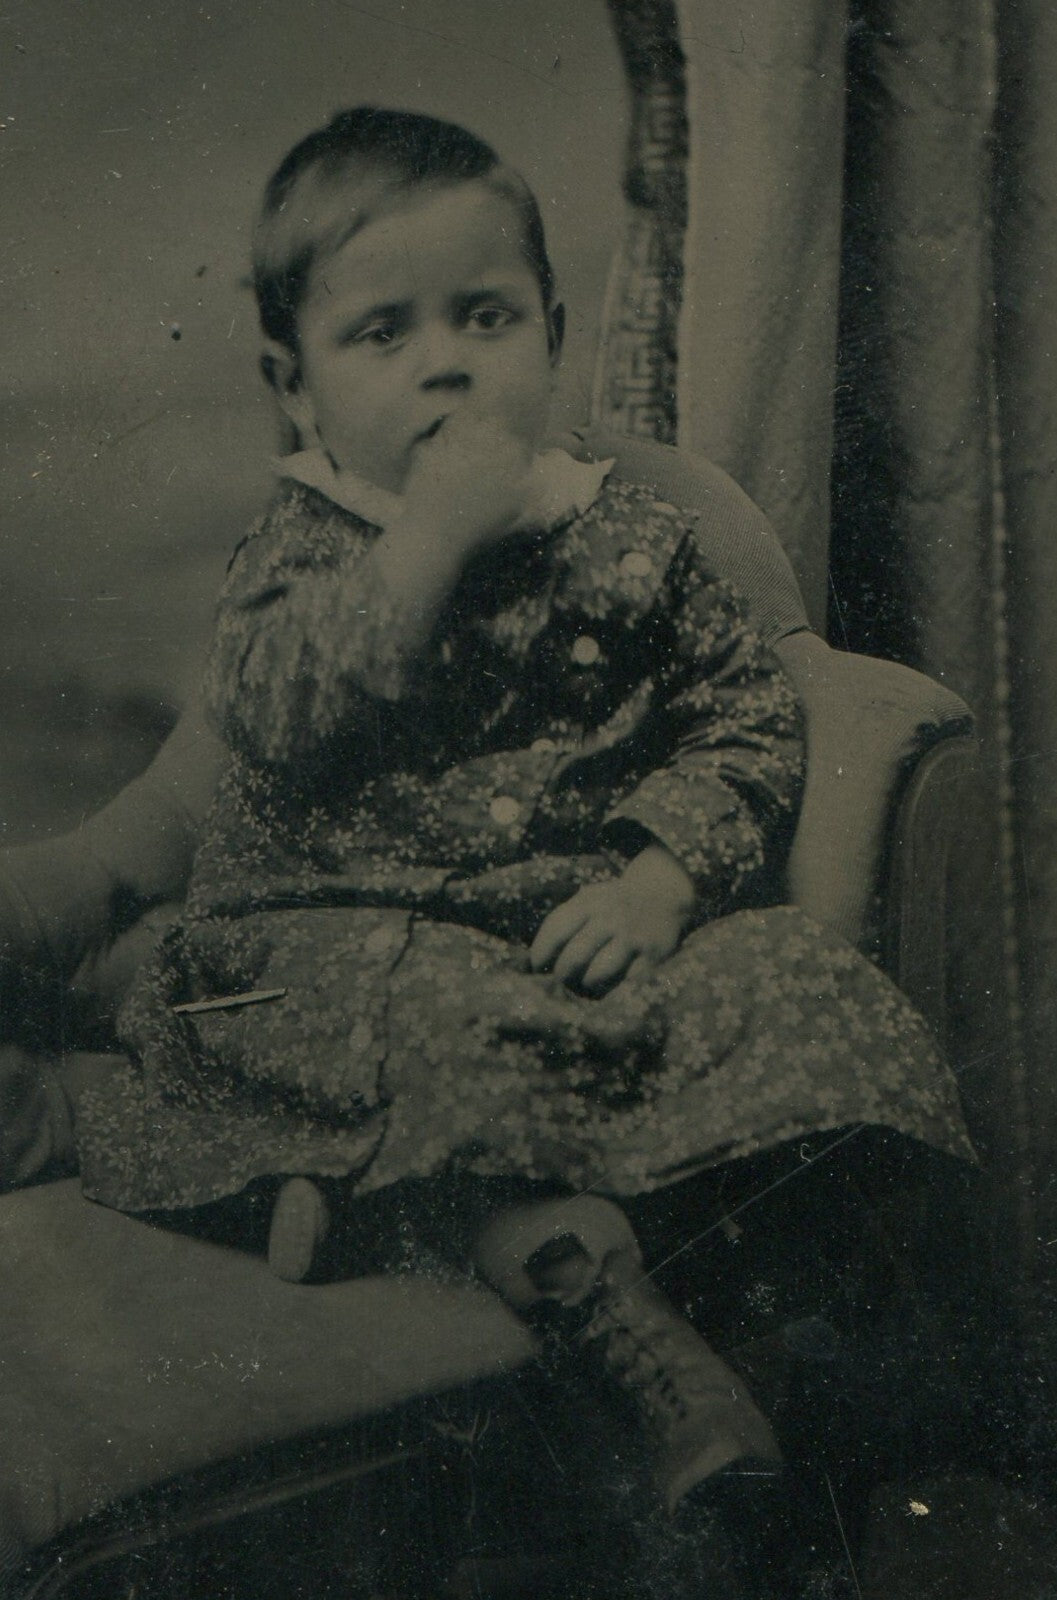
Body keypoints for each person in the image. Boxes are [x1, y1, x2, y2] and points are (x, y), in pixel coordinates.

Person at [1, 107, 988, 1596]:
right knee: (382, 1029)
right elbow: (269, 711)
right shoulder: (309, 545)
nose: (445, 363)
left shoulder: (627, 533)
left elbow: (743, 723)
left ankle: (845, 1336)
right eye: (383, 333)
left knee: (806, 981)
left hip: (558, 933)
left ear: (553, 332)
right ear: (297, 386)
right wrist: (424, 548)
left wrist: (660, 875)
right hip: (328, 943)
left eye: (484, 317)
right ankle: (576, 1278)